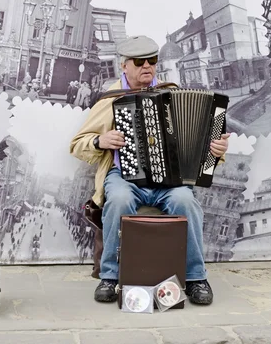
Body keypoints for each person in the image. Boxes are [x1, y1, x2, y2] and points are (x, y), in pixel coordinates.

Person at [69, 35, 230, 305]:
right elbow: (77, 145)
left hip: (171, 181)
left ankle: (195, 277)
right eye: (140, 61)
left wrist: (216, 152)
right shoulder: (110, 99)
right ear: (124, 66)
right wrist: (100, 140)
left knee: (185, 201)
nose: (147, 66)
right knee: (119, 199)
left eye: (152, 60)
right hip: (124, 177)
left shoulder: (172, 93)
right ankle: (110, 276)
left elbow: (202, 147)